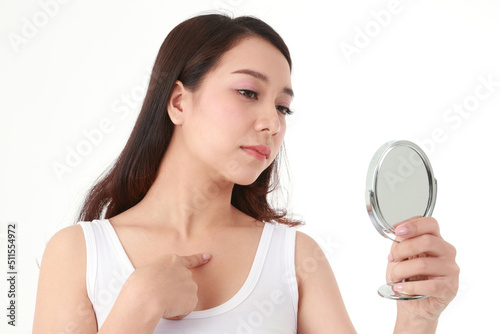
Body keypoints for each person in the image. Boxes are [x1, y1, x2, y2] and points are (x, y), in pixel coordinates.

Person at [32, 13, 459, 333]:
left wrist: (417, 317)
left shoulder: (295, 259)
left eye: (282, 106)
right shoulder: (79, 255)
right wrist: (139, 303)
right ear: (179, 102)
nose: (272, 123)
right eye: (248, 92)